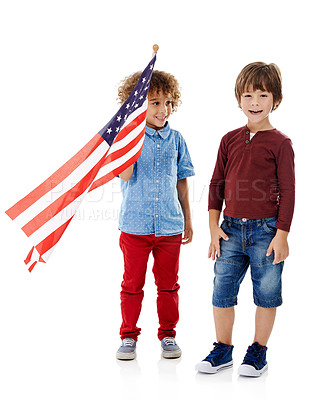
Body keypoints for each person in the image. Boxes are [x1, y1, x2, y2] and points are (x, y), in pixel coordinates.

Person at [195, 62, 295, 376]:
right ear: (239, 99)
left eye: (263, 95)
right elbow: (216, 186)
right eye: (248, 95)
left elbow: (289, 192)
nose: (255, 102)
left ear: (275, 100)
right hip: (230, 230)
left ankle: (258, 352)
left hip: (266, 231)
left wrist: (281, 234)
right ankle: (223, 349)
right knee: (221, 290)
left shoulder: (280, 144)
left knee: (267, 291)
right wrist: (213, 228)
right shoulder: (229, 140)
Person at [115, 70, 195, 361]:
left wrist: (188, 219)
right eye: (154, 102)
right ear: (139, 106)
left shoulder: (176, 139)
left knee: (168, 284)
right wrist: (130, 139)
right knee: (132, 285)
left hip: (170, 227)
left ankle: (168, 334)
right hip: (135, 227)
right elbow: (124, 174)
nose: (163, 109)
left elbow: (182, 180)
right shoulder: (128, 138)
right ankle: (128, 336)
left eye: (168, 102)